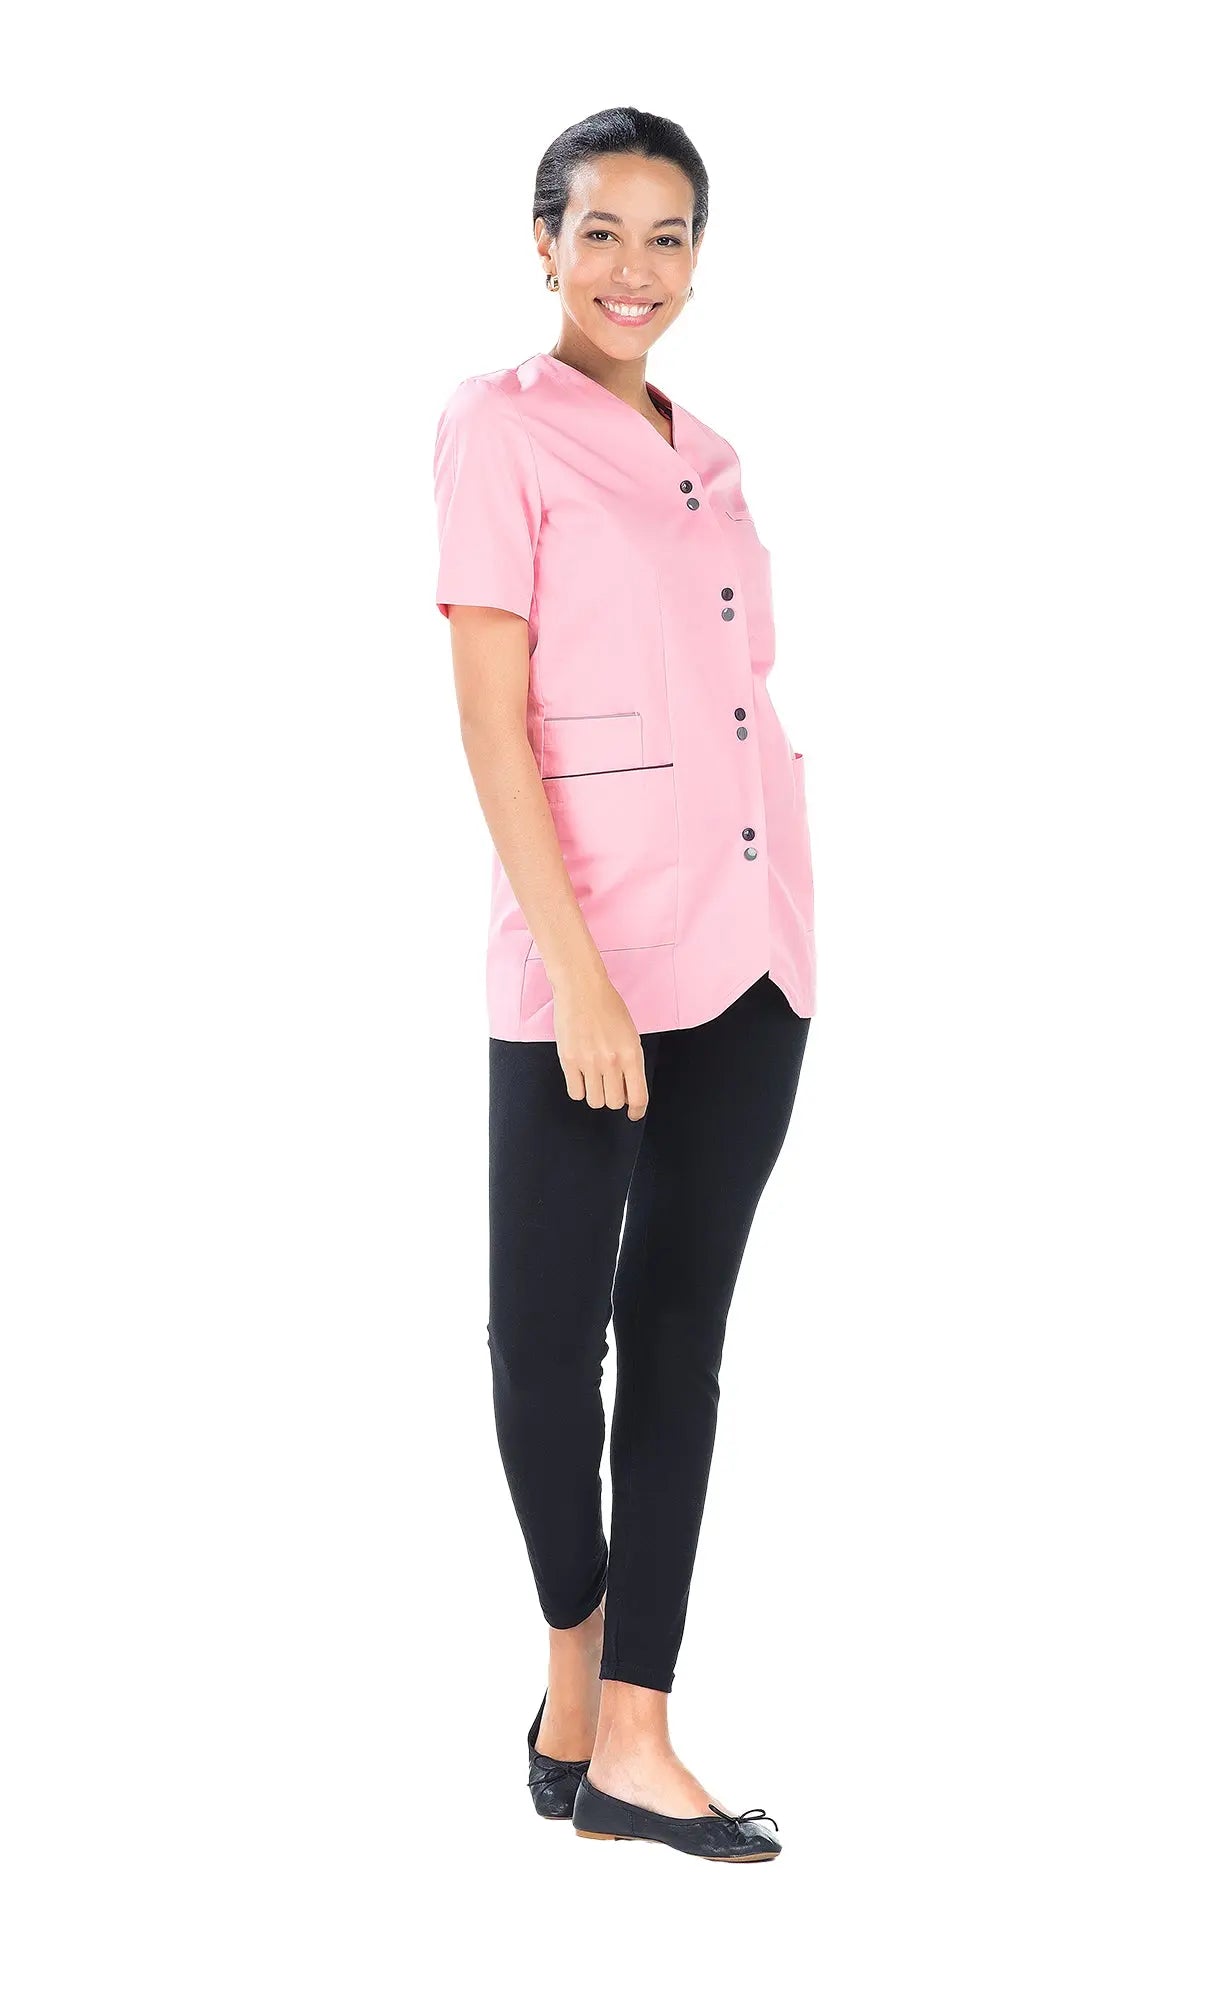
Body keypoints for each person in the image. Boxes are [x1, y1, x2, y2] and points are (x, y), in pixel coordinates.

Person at [432, 107, 816, 1865]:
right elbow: (491, 722)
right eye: (601, 232)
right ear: (543, 243)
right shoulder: (496, 428)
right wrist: (580, 981)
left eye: (669, 237)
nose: (634, 270)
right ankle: (575, 1668)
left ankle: (641, 1736)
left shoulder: (711, 457)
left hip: (749, 949)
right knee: (540, 1347)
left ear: (698, 258)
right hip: (586, 956)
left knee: (678, 1341)